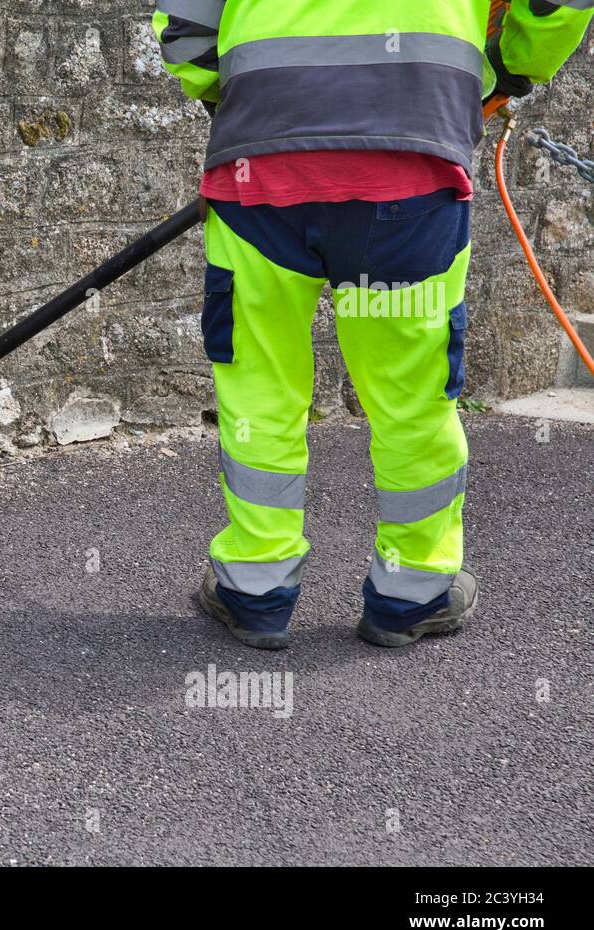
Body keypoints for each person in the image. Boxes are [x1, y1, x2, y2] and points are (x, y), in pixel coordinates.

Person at [152, 1, 594, 649]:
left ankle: (255, 588)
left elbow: (185, 27)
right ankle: (411, 592)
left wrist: (254, 102)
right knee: (412, 393)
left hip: (261, 161)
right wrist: (508, 69)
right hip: (410, 158)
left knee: (257, 384)